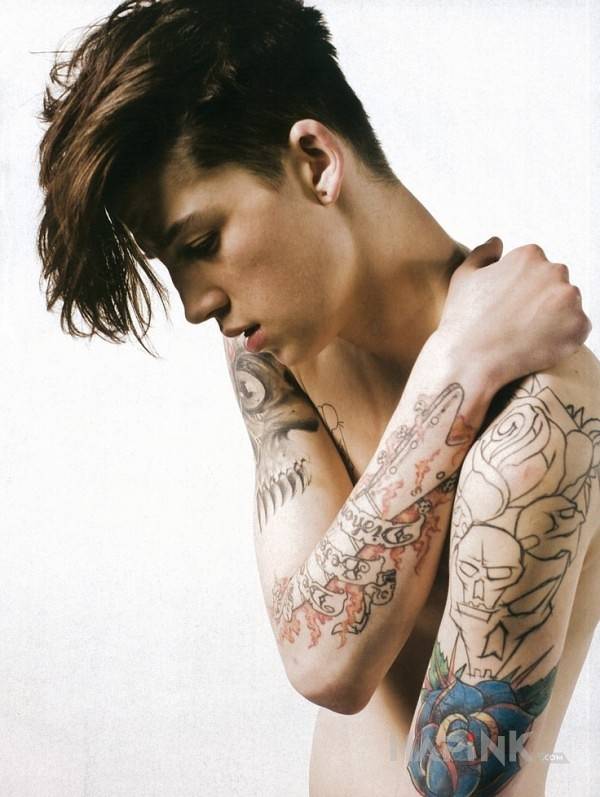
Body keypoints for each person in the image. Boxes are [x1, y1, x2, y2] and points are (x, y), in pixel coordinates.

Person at [37, 1, 599, 795]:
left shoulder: (537, 426)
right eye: (173, 263)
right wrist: (456, 365)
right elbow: (316, 644)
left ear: (315, 162)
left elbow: (443, 765)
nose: (195, 303)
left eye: (201, 243)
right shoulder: (276, 345)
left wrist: (466, 370)